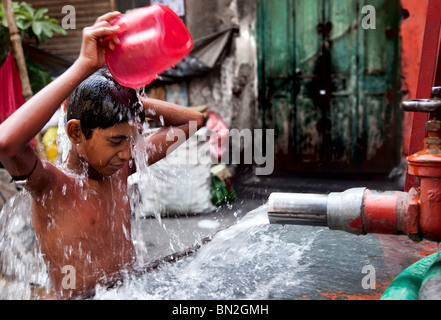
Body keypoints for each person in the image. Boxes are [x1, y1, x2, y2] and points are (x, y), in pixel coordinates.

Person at [0, 12, 204, 299]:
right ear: (75, 133)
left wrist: (127, 96)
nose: (126, 152)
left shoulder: (121, 168)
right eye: (116, 140)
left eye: (132, 140)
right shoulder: (50, 184)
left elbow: (193, 121)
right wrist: (83, 68)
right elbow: (6, 143)